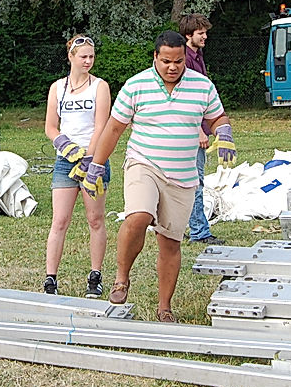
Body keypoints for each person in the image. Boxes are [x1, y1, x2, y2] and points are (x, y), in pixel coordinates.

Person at [81, 31, 234, 322]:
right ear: (155, 57)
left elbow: (216, 117)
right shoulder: (136, 85)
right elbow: (114, 128)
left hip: (183, 176)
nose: (173, 67)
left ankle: (165, 307)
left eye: (178, 61)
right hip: (144, 163)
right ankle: (121, 278)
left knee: (170, 242)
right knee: (137, 216)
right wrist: (96, 164)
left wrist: (223, 131)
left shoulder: (202, 86)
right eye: (166, 61)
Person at [42, 34, 111, 297]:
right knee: (59, 220)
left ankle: (95, 275)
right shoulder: (57, 88)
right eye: (83, 56)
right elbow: (50, 126)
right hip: (64, 161)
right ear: (70, 57)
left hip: (93, 161)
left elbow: (101, 126)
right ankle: (50, 278)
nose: (88, 61)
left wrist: (89, 159)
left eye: (91, 56)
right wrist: (63, 143)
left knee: (95, 219)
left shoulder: (100, 86)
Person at [178, 13, 220, 244]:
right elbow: (185, 99)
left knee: (183, 181)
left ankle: (178, 225)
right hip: (190, 131)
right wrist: (199, 131)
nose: (205, 36)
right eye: (201, 33)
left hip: (197, 127)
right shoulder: (184, 60)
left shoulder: (197, 56)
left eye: (205, 32)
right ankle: (199, 231)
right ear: (188, 35)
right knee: (195, 181)